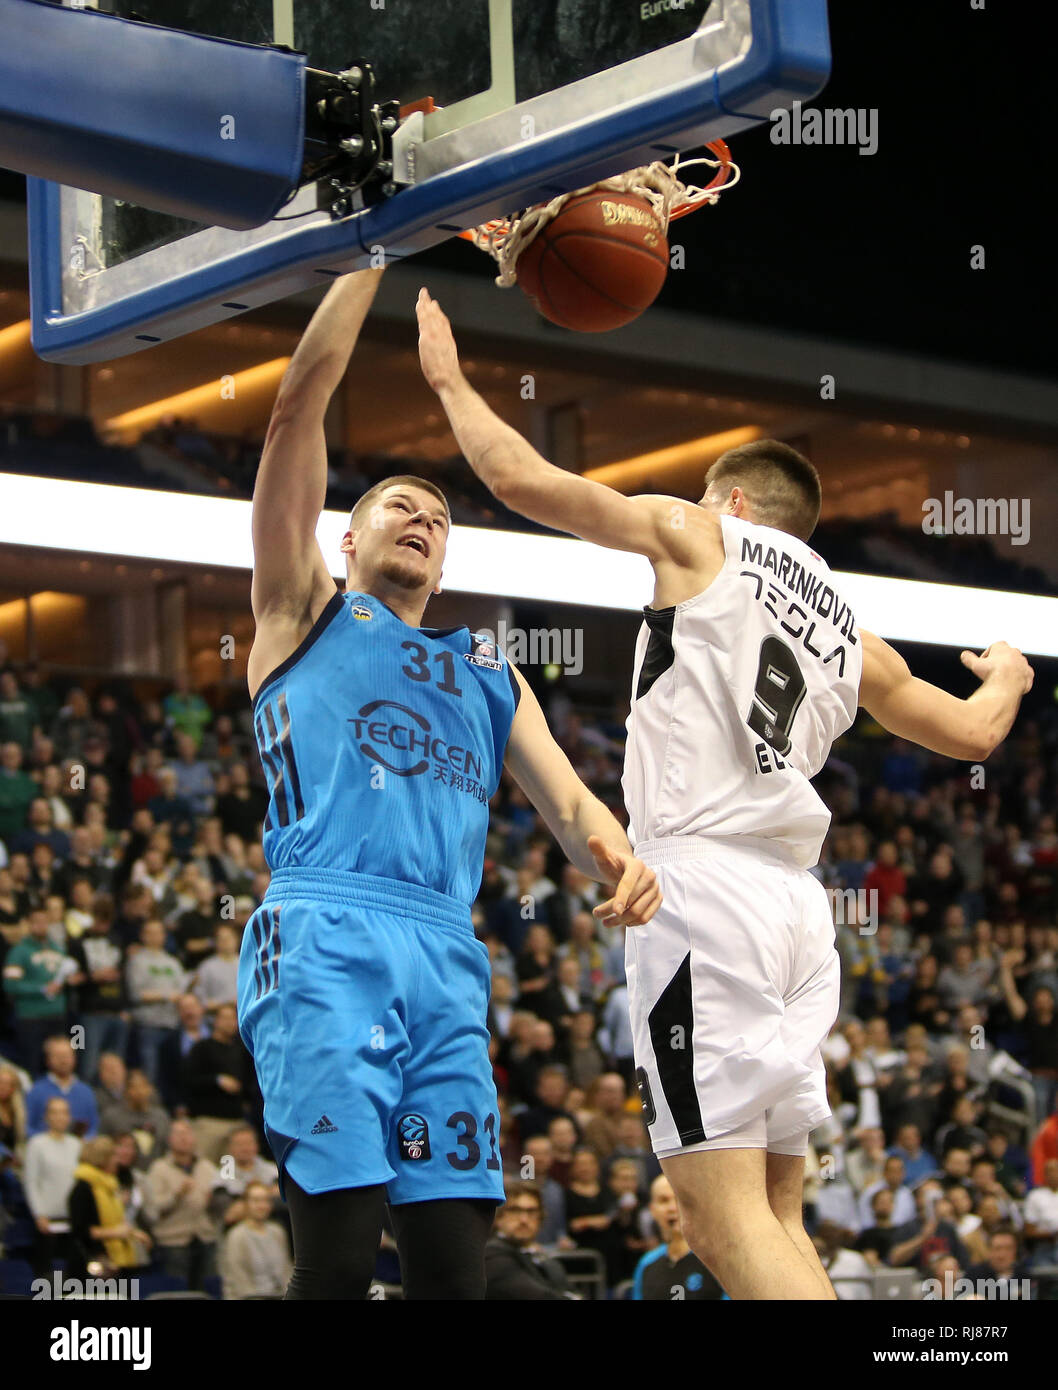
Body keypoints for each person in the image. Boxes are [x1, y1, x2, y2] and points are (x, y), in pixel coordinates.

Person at [417, 287, 1034, 1299]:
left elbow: (519, 478)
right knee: (776, 1216)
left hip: (699, 891)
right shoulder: (848, 626)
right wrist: (1006, 674)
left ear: (733, 503)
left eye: (707, 495)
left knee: (712, 1217)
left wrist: (445, 377)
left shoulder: (701, 535)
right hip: (796, 906)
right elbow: (969, 730)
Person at [239, 267, 660, 1302]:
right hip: (326, 939)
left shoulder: (486, 666)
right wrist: (363, 257)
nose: (421, 518)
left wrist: (616, 854)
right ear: (349, 538)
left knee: (450, 1269)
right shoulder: (302, 608)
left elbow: (568, 805)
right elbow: (298, 404)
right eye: (396, 506)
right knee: (335, 1257)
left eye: (436, 513)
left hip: (442, 957)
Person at [67, 1135, 151, 1279]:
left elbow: (116, 1222)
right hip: (93, 1265)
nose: (117, 1161)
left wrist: (132, 1233)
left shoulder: (110, 1186)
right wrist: (116, 1233)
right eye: (113, 1156)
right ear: (102, 1159)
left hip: (116, 1263)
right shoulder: (82, 1189)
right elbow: (81, 1230)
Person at [632, 1174, 723, 1300]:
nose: (672, 1208)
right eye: (663, 1200)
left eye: (679, 1199)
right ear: (652, 1210)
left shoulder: (718, 1258)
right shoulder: (647, 1263)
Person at [484, 1181, 572, 1300]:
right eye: (515, 1210)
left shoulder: (546, 1261)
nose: (524, 1219)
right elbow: (537, 1296)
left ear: (540, 1218)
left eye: (531, 1212)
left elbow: (573, 1293)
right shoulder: (491, 1256)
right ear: (499, 1217)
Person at [23, 1096, 80, 1275]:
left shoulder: (76, 1144)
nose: (59, 1117)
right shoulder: (36, 1144)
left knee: (72, 1274)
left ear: (69, 1117)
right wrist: (39, 1213)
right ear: (46, 1117)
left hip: (72, 1219)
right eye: (54, 1112)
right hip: (47, 1220)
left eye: (64, 1112)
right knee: (46, 1275)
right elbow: (31, 1181)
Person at [220, 1180, 292, 1300]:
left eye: (265, 1200)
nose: (262, 1206)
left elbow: (287, 1272)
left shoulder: (277, 1232)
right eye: (256, 1201)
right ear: (246, 1204)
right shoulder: (237, 1236)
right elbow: (239, 1280)